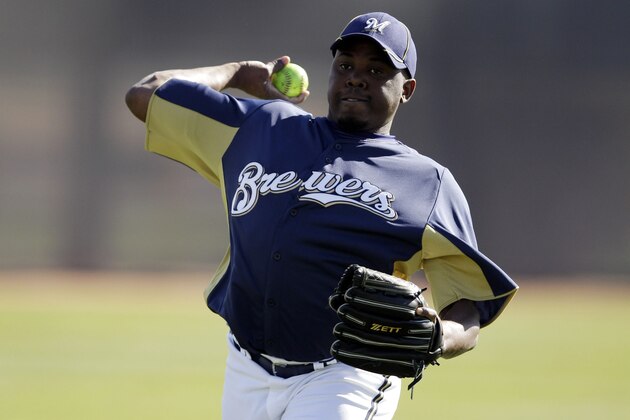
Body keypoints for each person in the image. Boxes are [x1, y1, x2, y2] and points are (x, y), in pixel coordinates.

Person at [125, 11, 518, 420]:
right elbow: (147, 94)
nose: (356, 77)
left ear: (407, 89)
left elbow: (470, 305)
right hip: (244, 366)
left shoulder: (427, 183)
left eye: (377, 69)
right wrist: (239, 74)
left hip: (343, 377)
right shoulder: (265, 126)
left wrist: (440, 335)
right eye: (346, 64)